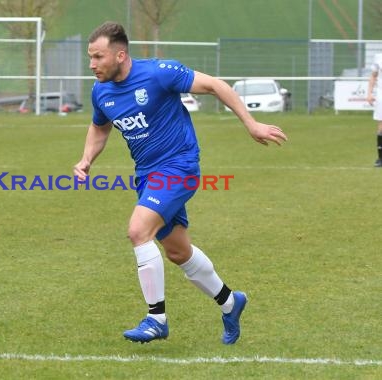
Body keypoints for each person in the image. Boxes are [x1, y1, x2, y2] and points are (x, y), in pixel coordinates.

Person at [73, 22, 287, 344]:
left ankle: (156, 318)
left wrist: (251, 124)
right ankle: (231, 302)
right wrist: (87, 158)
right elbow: (100, 128)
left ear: (120, 55)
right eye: (90, 57)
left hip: (179, 166)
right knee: (177, 251)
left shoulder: (160, 73)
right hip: (147, 175)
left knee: (137, 230)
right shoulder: (100, 90)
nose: (92, 65)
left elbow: (215, 85)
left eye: (98, 57)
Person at [366, 53, 382, 168]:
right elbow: (373, 76)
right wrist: (369, 93)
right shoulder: (378, 57)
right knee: (381, 125)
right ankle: (380, 158)